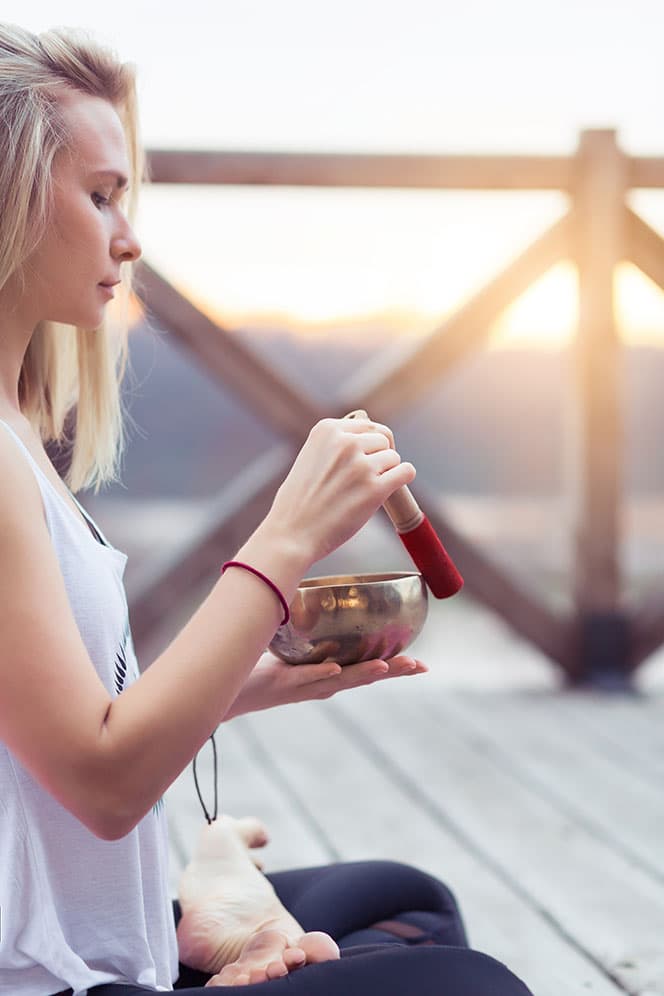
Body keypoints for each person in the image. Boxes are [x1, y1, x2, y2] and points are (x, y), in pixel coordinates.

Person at [0, 21, 534, 996]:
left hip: (98, 924)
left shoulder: (20, 435)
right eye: (101, 194)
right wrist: (285, 539)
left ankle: (182, 922)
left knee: (403, 901)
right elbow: (99, 780)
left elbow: (42, 741)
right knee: (466, 982)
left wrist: (233, 687)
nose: (129, 235)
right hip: (46, 972)